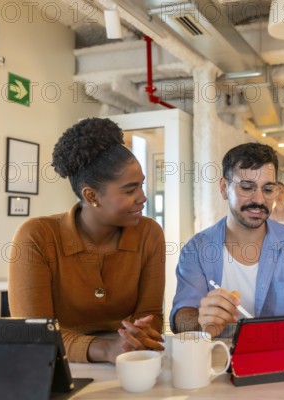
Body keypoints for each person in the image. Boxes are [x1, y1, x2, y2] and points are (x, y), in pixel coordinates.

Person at [170, 142, 284, 363]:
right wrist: (199, 321)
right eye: (246, 187)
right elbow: (181, 318)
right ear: (224, 188)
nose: (259, 200)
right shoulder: (196, 250)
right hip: (216, 368)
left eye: (267, 189)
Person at [9, 118, 166, 363]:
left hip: (127, 362)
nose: (142, 197)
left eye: (142, 185)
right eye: (130, 190)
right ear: (92, 196)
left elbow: (151, 314)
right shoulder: (36, 237)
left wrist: (139, 335)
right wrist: (106, 349)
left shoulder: (150, 234)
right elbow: (35, 332)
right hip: (53, 364)